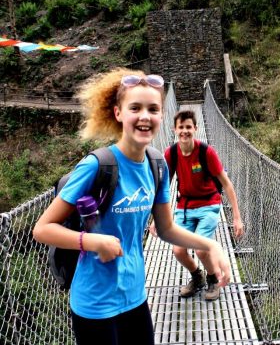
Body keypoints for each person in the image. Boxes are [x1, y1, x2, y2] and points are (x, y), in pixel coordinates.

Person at [33, 67, 232, 345]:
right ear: (118, 113)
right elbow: (42, 229)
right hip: (95, 305)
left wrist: (210, 245)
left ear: (162, 116)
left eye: (153, 109)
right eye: (135, 108)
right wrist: (92, 242)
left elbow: (165, 228)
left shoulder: (156, 165)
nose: (144, 116)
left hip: (135, 297)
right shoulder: (96, 166)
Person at [149, 109, 244, 301]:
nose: (185, 131)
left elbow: (226, 183)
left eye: (188, 127)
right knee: (178, 250)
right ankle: (197, 276)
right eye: (181, 127)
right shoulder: (172, 153)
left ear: (196, 129)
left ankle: (213, 279)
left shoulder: (206, 152)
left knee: (201, 249)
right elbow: (164, 186)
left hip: (209, 204)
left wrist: (236, 217)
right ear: (175, 130)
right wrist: (156, 219)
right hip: (184, 206)